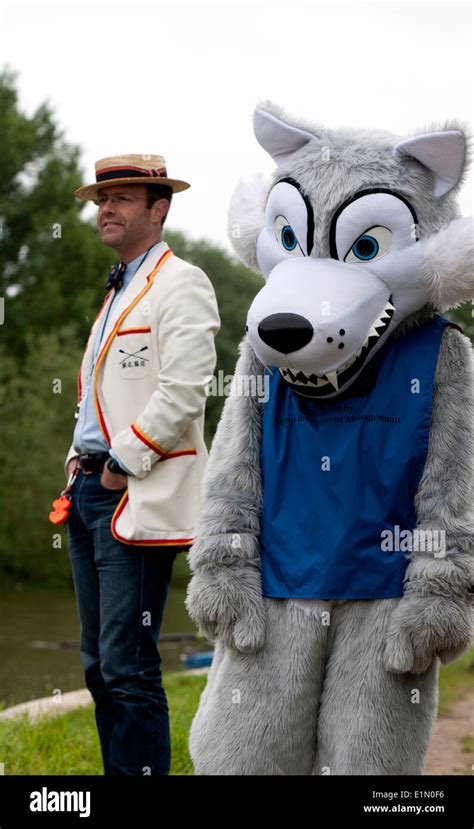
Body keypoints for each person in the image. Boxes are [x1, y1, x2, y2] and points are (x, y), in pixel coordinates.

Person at [62, 153, 220, 775]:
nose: (106, 208)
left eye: (123, 198)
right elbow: (98, 397)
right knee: (100, 665)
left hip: (132, 490)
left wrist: (119, 464)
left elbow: (186, 387)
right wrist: (79, 463)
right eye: (103, 199)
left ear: (159, 209)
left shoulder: (182, 281)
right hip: (87, 489)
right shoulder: (118, 288)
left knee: (129, 664)